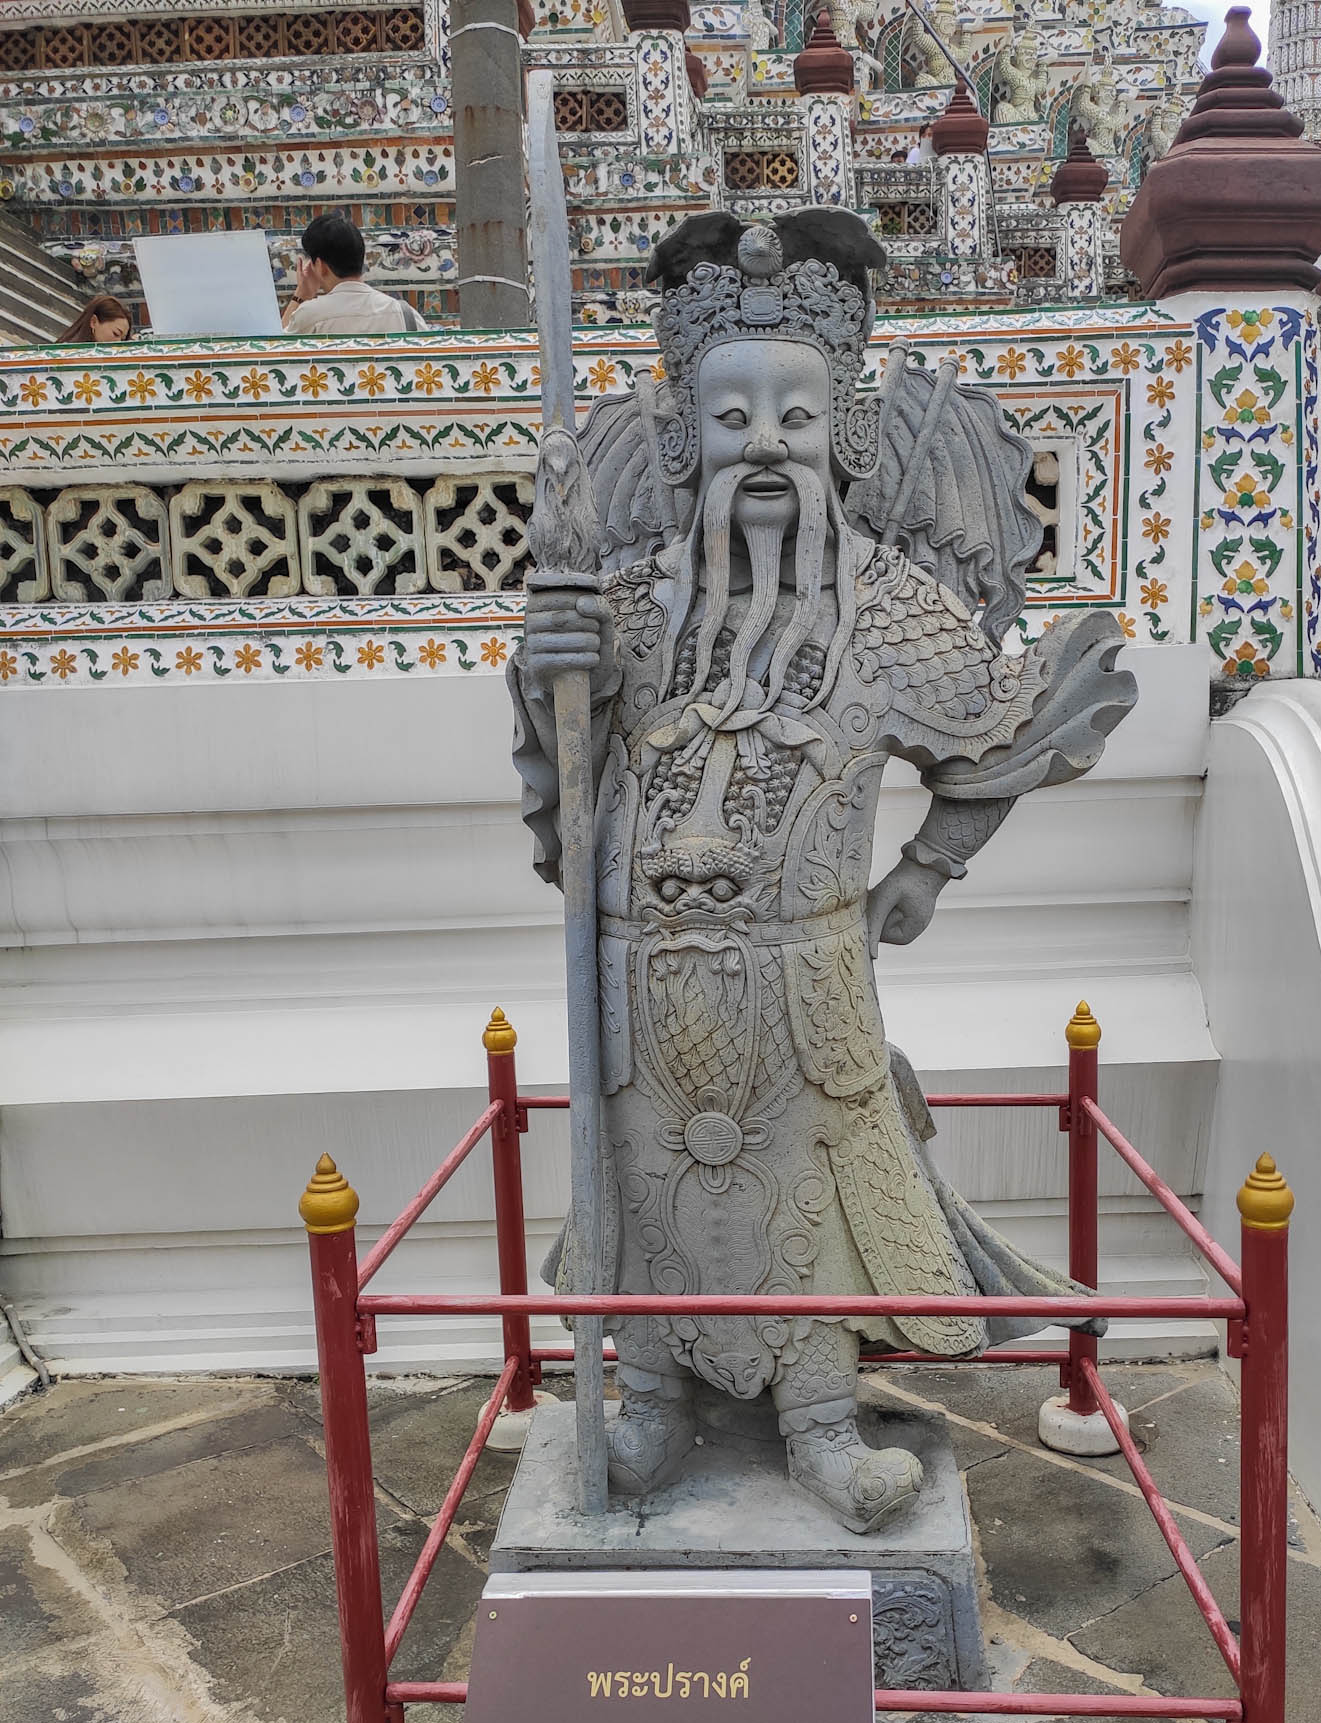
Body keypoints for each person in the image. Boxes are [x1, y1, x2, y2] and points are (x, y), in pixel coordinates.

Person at [514, 209, 1134, 1532]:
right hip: (638, 970)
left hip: (806, 975)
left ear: (842, 434)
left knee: (807, 1182)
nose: (765, 450)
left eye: (795, 422)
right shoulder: (626, 604)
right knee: (646, 1174)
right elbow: (561, 774)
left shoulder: (892, 608)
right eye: (732, 422)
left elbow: (1003, 733)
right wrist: (552, 672)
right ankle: (648, 1407)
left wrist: (928, 866)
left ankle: (821, 1425)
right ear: (685, 436)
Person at [283, 213, 426, 335]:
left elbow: (273, 351)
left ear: (320, 266)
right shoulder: (405, 315)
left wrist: (301, 295)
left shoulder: (310, 316)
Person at [56, 294, 132, 343]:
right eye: (116, 334)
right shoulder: (66, 354)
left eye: (122, 340)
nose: (118, 343)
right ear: (94, 322)